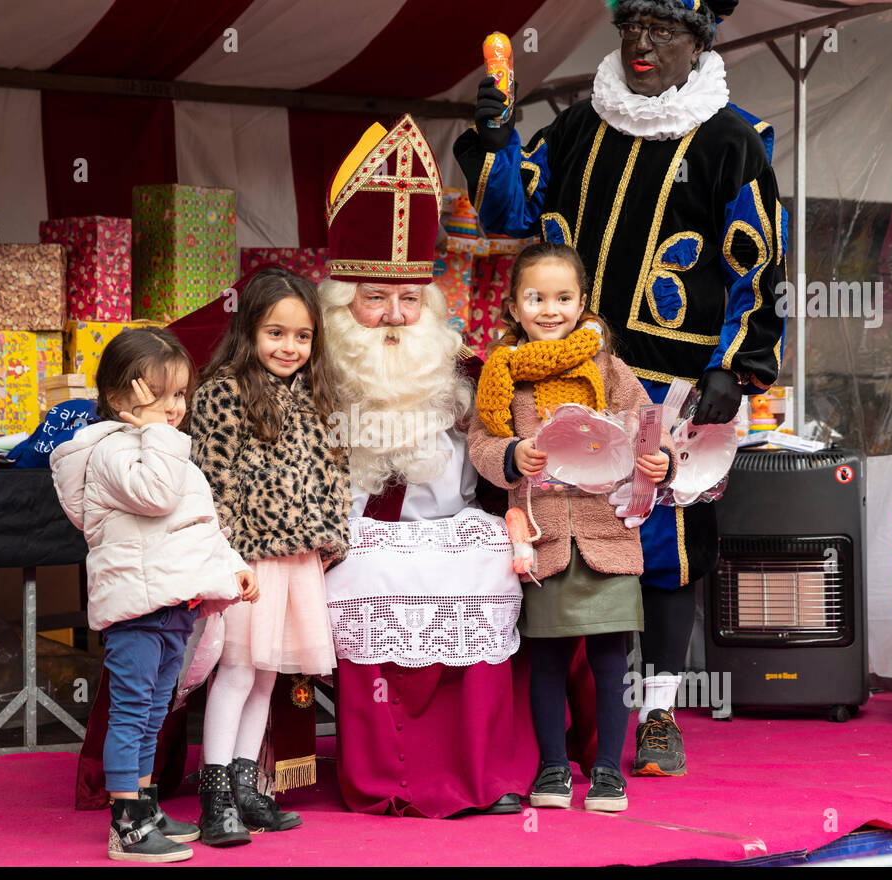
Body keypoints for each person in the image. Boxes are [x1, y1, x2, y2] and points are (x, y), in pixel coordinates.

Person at [456, 0, 786, 776]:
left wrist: (735, 365)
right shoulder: (578, 127)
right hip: (565, 376)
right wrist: (496, 142)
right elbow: (509, 215)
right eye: (630, 28)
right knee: (561, 535)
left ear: (699, 40)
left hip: (671, 382)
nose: (641, 45)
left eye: (662, 31)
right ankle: (560, 728)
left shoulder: (731, 138)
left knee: (665, 547)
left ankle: (661, 714)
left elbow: (759, 267)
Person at [319, 115, 537, 817]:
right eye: (375, 298)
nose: (392, 317)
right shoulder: (312, 372)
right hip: (349, 538)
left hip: (450, 531)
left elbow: (503, 453)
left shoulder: (464, 373)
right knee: (375, 572)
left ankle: (485, 774)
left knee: (489, 569)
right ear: (342, 305)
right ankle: (392, 779)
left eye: (408, 299)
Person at [468, 243, 675, 811]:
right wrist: (514, 454)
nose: (550, 309)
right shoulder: (501, 372)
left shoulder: (608, 366)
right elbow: (481, 444)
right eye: (536, 297)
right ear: (513, 305)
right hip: (544, 539)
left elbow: (647, 428)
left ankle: (609, 769)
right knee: (548, 657)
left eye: (563, 297)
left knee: (611, 657)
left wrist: (661, 463)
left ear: (582, 302)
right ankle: (553, 768)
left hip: (607, 532)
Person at [50, 327, 257, 863]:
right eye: (158, 395)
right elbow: (157, 495)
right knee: (132, 710)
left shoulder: (161, 450)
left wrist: (232, 566)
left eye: (180, 395)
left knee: (154, 713)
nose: (173, 408)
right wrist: (156, 433)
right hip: (137, 610)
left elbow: (197, 526)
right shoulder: (114, 452)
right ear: (119, 398)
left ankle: (144, 803)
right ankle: (127, 824)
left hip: (172, 606)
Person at [189, 268, 352, 845]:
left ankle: (246, 786)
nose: (290, 347)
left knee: (268, 677)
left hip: (299, 559)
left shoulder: (318, 395)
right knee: (234, 673)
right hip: (247, 562)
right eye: (276, 333)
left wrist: (332, 539)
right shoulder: (222, 391)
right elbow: (211, 483)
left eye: (302, 336)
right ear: (249, 330)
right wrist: (229, 557)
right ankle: (214, 799)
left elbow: (337, 473)